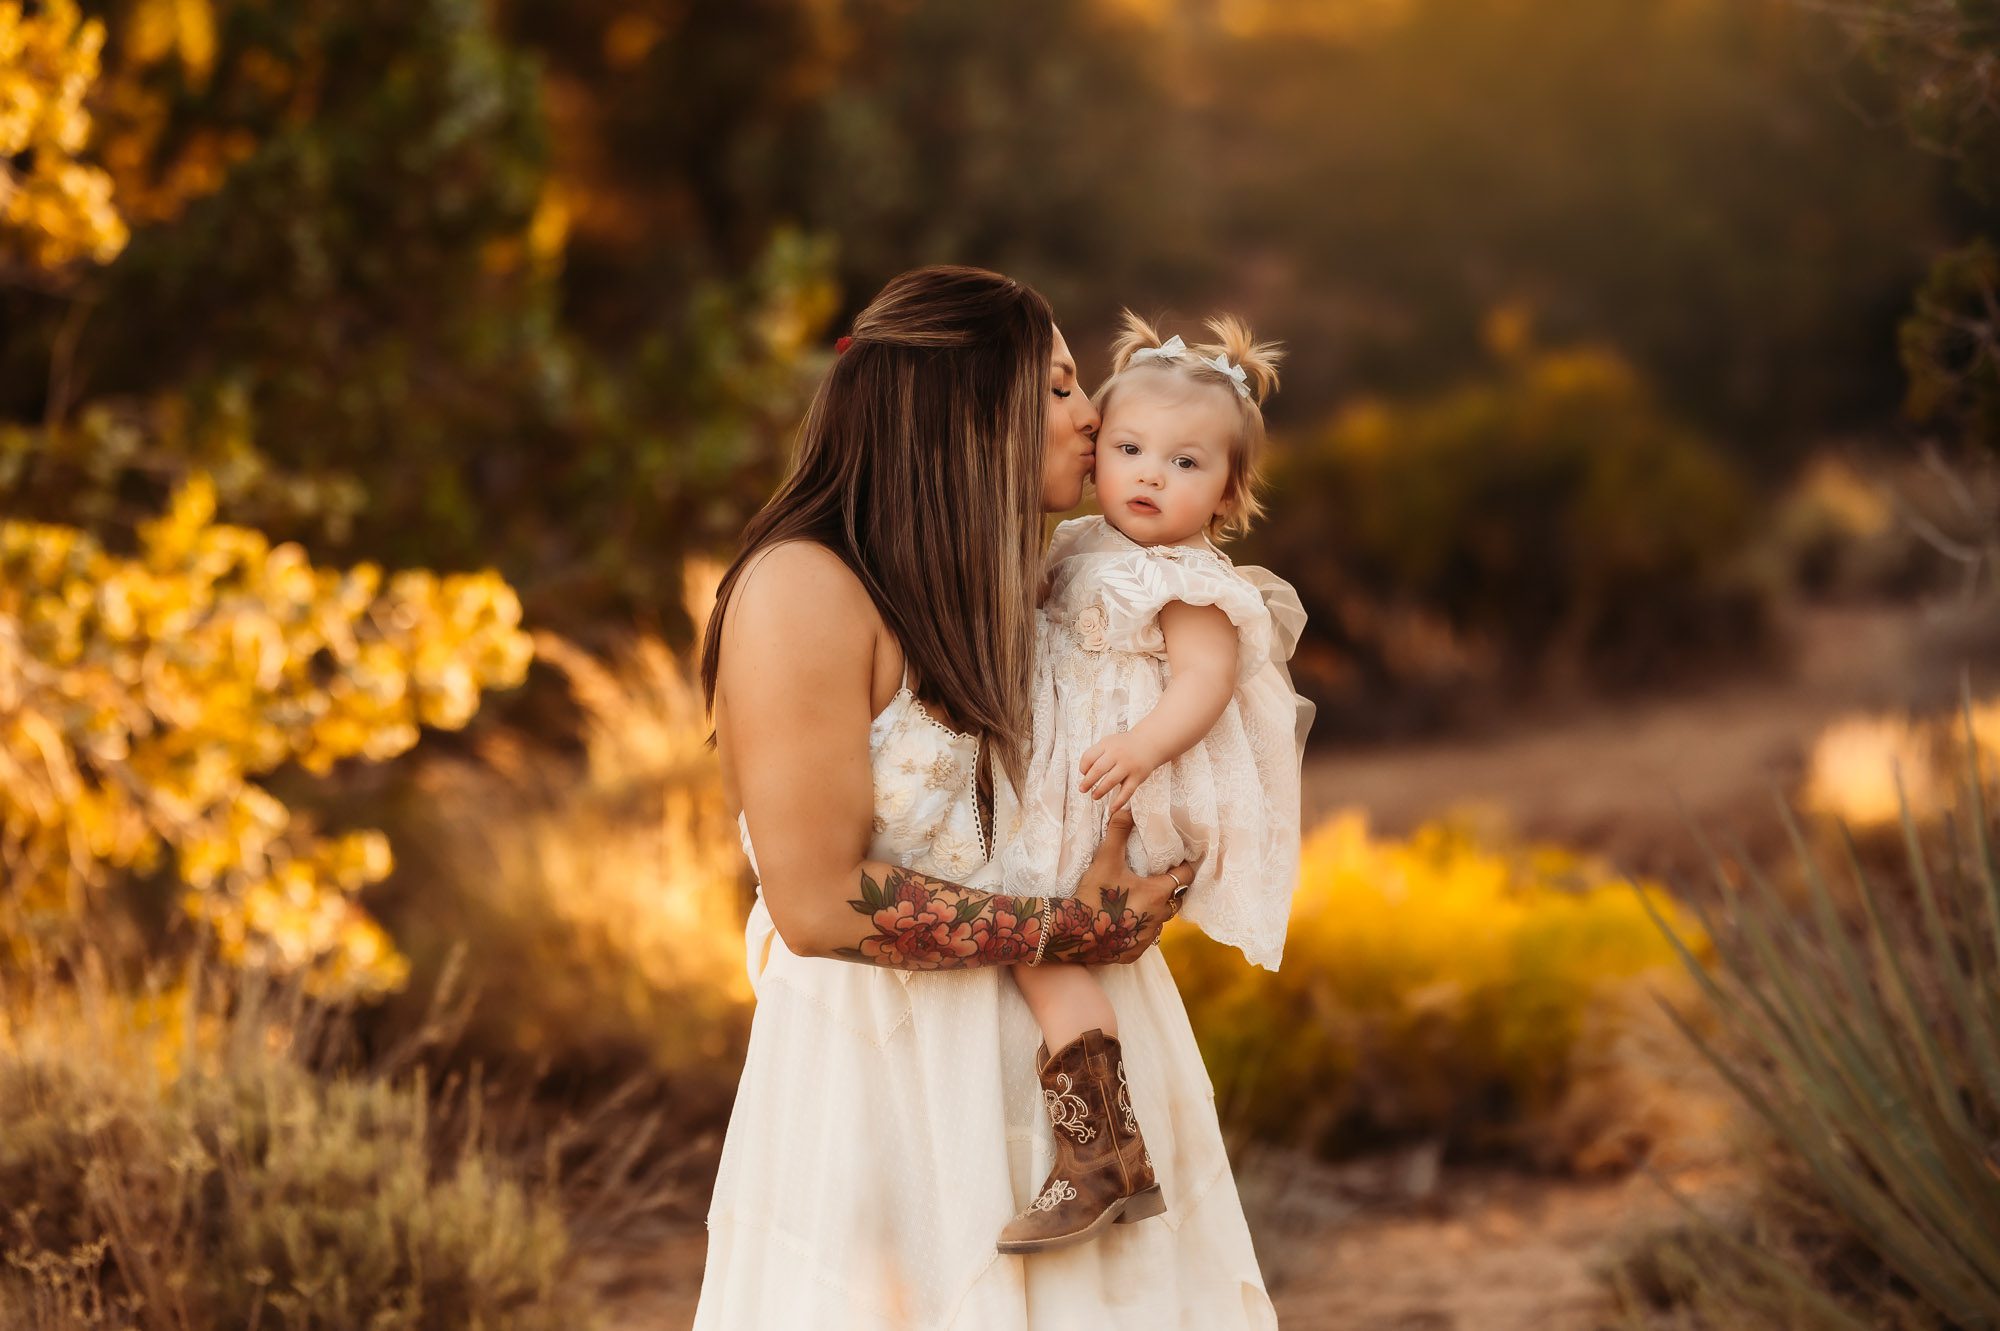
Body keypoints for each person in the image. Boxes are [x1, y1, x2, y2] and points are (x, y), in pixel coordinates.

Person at [696, 265, 1279, 1329]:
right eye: (1056, 387)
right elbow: (817, 900)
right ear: (971, 403)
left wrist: (1169, 844)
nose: (1091, 412)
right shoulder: (802, 587)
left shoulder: (1039, 578)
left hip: (1086, 1046)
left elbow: (1189, 744)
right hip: (889, 1076)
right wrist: (1073, 927)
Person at [972, 310, 1313, 1255]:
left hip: (1128, 787)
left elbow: (1205, 685)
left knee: (1034, 931)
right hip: (1075, 775)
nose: (1151, 474)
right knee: (1040, 939)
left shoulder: (1195, 581)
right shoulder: (1077, 546)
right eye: (1129, 448)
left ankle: (1099, 1154)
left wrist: (1145, 745)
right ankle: (1106, 1153)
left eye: (1186, 462)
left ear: (1230, 489)